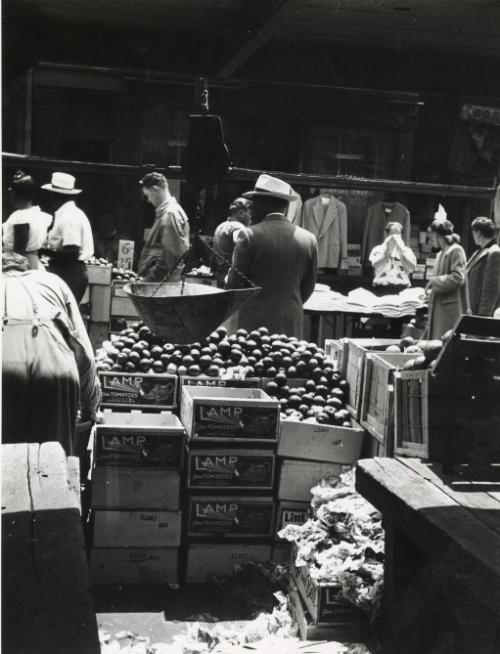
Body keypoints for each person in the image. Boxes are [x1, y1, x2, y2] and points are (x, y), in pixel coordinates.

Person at [1, 252, 101, 455]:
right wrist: (91, 407)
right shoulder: (53, 282)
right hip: (55, 374)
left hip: (5, 372)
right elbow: (83, 351)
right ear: (27, 269)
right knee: (53, 465)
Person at [226, 174, 318, 338]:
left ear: (267, 204)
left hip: (253, 326)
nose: (251, 209)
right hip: (290, 325)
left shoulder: (249, 235)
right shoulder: (309, 239)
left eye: (255, 203)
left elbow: (234, 286)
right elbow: (308, 287)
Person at [41, 172, 94, 303]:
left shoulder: (70, 217)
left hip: (69, 273)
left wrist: (42, 251)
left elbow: (72, 252)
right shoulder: (69, 214)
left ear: (55, 196)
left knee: (64, 315)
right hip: (67, 272)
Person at [137, 172, 190, 282]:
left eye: (148, 195)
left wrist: (148, 281)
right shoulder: (169, 213)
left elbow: (169, 260)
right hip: (162, 285)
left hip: (161, 287)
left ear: (155, 190)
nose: (148, 200)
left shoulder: (169, 215)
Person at [424, 219, 469, 339]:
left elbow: (458, 277)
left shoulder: (456, 250)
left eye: (431, 236)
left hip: (449, 311)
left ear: (437, 235)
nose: (431, 240)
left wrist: (434, 281)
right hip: (438, 309)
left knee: (445, 346)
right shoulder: (440, 254)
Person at [2, 170, 52, 270]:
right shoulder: (36, 214)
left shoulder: (21, 217)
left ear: (13, 194)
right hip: (33, 261)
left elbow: (19, 252)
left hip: (19, 265)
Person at [210, 197, 252, 287]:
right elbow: (241, 249)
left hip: (220, 276)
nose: (250, 217)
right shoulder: (238, 227)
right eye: (249, 213)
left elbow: (213, 258)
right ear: (241, 213)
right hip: (232, 278)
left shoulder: (220, 226)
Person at [368, 221, 417, 294]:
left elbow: (411, 268)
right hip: (381, 289)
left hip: (402, 289)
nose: (395, 238)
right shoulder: (378, 249)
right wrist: (387, 252)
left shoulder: (407, 251)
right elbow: (377, 266)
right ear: (386, 235)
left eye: (398, 235)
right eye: (393, 235)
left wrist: (401, 254)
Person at [466, 216, 500, 316]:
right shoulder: (479, 251)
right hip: (471, 310)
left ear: (478, 233)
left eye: (473, 232)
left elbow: (490, 289)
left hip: (479, 313)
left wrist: (483, 317)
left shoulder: (494, 252)